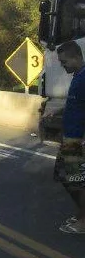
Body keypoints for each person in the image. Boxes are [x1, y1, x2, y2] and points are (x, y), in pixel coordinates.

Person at [54, 41, 85, 234]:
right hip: (70, 138)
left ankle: (83, 221)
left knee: (75, 180)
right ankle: (82, 213)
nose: (62, 65)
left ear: (76, 57)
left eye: (64, 61)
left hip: (77, 140)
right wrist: (59, 111)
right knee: (70, 178)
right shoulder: (78, 76)